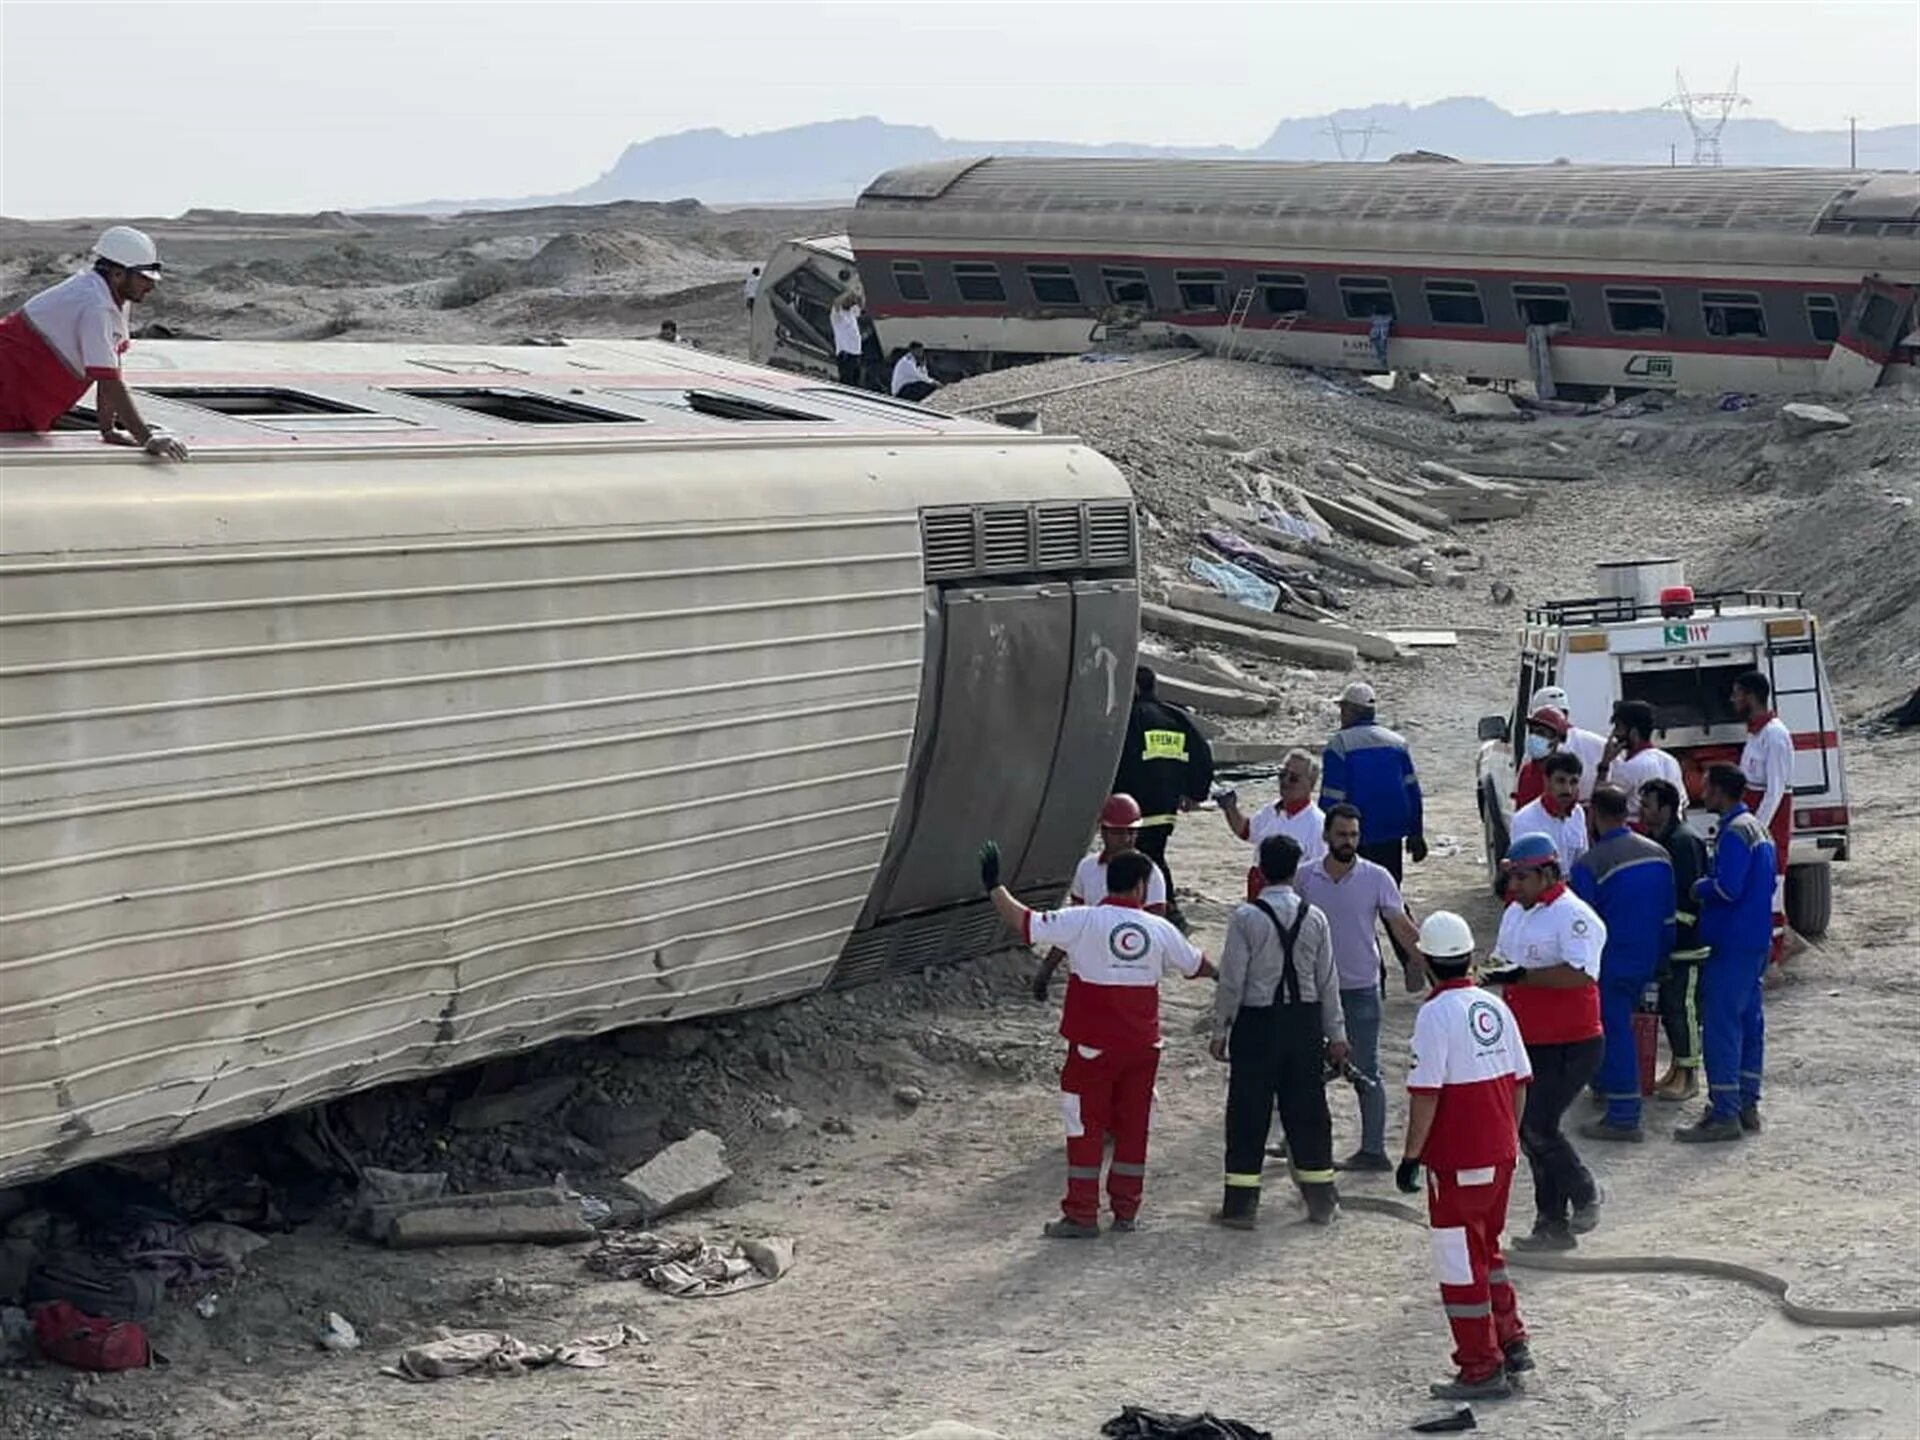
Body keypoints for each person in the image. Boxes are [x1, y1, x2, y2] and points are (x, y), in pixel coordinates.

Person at [979, 843, 1212, 1234]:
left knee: (1085, 1127)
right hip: (1143, 1048)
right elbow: (1197, 964)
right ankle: (1126, 1211)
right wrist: (1233, 979)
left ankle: (1082, 1213)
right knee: (1133, 1128)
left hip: (1092, 1049)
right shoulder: (1160, 929)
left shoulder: (1083, 920)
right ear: (1140, 887)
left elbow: (1025, 922)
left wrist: (994, 886)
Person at [1398, 910, 1534, 1402]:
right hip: (1500, 1154)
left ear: (1429, 962)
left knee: (1461, 1264)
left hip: (1459, 1161)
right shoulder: (1495, 1008)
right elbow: (1520, 1083)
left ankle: (1480, 1366)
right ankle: (1511, 1339)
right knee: (1487, 1250)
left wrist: (1411, 1157)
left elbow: (1426, 1093)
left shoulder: (1435, 1015)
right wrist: (1508, 1140)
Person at [1211, 835, 1347, 1228]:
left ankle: (1240, 1207)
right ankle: (1321, 1202)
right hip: (1303, 1025)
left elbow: (1232, 980)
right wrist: (1336, 1035)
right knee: (1308, 1113)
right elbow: (1328, 982)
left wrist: (1221, 1028)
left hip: (1257, 1024)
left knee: (1248, 1114)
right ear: (1294, 871)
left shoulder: (1246, 918)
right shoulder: (1315, 916)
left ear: (1260, 871)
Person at [1483, 832, 1606, 1250]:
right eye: (1511, 877)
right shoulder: (1516, 912)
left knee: (1538, 1125)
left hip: (1573, 1043)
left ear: (1547, 873)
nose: (1513, 886)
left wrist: (1521, 977)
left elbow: (1581, 975)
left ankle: (1584, 1190)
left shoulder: (1574, 916)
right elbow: (1502, 961)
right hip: (1527, 1041)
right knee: (1529, 1130)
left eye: (1521, 877)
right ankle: (1551, 1224)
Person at [1298, 803, 1423, 1170]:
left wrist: (1432, 967)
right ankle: (1298, 1142)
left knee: (1366, 1069)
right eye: (1341, 835)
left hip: (1361, 988)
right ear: (1326, 836)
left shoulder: (1378, 877)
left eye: (1354, 835)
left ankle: (1373, 1151)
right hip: (1314, 990)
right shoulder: (1305, 879)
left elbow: (1401, 926)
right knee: (1305, 1070)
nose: (1348, 842)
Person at [0, 226, 188, 459]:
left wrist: (108, 430)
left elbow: (110, 366)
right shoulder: (95, 305)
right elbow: (108, 381)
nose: (151, 286)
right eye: (144, 278)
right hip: (10, 391)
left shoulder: (114, 297)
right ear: (118, 273)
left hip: (24, 397)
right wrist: (146, 438)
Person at [1676, 764, 1775, 1143]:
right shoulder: (1756, 828)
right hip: (1754, 939)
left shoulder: (1734, 833)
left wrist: (1701, 887)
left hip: (1732, 942)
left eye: (1707, 787)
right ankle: (1746, 1103)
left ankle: (1724, 1114)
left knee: (1720, 1027)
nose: (1703, 792)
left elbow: (1729, 888)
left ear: (1720, 791)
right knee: (1750, 1024)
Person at [1570, 785, 1674, 1143]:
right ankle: (1606, 1086)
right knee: (1623, 1030)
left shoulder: (1590, 864)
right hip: (1648, 957)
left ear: (1595, 815)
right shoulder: (1659, 854)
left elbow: (1581, 924)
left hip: (1611, 962)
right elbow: (1667, 917)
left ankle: (1624, 1116)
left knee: (1614, 1033)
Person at [1319, 681, 1425, 975]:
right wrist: (1416, 832)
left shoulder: (1339, 745)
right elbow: (1413, 791)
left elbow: (1332, 797)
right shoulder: (1397, 742)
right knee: (1392, 900)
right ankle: (1414, 959)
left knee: (1357, 907)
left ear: (1353, 710)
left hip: (1352, 839)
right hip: (1391, 835)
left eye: (1343, 708)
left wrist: (1326, 834)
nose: (1341, 714)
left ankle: (1373, 971)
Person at [1030, 793, 1169, 1000]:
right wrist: (1047, 969)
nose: (1127, 839)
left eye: (1132, 832)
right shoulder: (1087, 869)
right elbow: (1072, 924)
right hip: (1091, 968)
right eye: (1119, 832)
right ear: (1103, 831)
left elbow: (1158, 931)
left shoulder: (1150, 873)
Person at [1113, 665, 1214, 932]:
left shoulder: (1131, 718)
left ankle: (1167, 913)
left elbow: (1119, 761)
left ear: (1135, 687)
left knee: (1146, 856)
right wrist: (1195, 793)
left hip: (1136, 805)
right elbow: (1202, 754)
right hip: (1166, 807)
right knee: (1153, 853)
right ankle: (1158, 911)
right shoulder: (1175, 717)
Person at [1640, 778, 1710, 1103]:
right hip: (1667, 942)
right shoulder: (1662, 839)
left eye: (1648, 805)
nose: (1642, 811)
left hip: (1686, 943)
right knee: (1669, 1009)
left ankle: (1690, 1075)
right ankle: (1678, 1068)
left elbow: (1690, 897)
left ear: (1666, 808)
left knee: (1683, 1008)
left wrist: (1670, 927)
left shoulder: (1683, 842)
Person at [1733, 671, 1795, 969]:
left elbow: (1776, 789)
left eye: (1737, 694)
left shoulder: (1775, 735)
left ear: (1750, 696)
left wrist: (1755, 828)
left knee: (1772, 890)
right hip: (1756, 819)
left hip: (1769, 825)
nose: (1733, 700)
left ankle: (1773, 958)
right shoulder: (1756, 733)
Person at [1216, 749, 1325, 901]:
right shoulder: (1272, 809)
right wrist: (1230, 808)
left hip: (1291, 902)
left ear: (1310, 784)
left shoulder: (1318, 824)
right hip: (1259, 894)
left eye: (1293, 778)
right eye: (1282, 775)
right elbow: (1246, 831)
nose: (1285, 781)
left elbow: (1321, 875)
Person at [1595, 699, 1683, 825]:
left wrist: (1605, 763)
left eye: (1618, 727)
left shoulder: (1632, 766)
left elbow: (1601, 802)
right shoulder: (1671, 761)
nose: (1614, 733)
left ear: (1633, 732)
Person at [1509, 751, 1589, 874]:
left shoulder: (1578, 814)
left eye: (1573, 782)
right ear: (1546, 781)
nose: (1568, 790)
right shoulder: (1524, 820)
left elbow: (1582, 861)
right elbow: (1523, 873)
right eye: (1561, 781)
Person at [1525, 686, 1604, 801]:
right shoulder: (1597, 743)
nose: (1535, 736)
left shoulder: (1596, 745)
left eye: (1541, 732)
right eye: (1533, 730)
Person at [1510, 704, 1571, 811]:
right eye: (1532, 732)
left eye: (1541, 733)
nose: (1533, 737)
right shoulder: (1526, 771)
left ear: (1556, 740)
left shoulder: (1564, 777)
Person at [830, 292, 865, 388]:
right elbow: (836, 302)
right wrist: (848, 293)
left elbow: (861, 306)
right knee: (846, 382)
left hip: (856, 354)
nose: (850, 303)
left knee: (856, 383)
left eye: (851, 302)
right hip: (846, 354)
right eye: (848, 301)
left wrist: (858, 296)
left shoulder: (851, 312)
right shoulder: (837, 315)